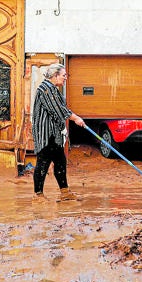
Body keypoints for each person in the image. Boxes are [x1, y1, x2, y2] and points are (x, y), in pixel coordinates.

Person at [32, 63, 85, 202]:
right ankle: (38, 195)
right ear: (55, 75)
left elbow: (60, 108)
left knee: (60, 161)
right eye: (63, 75)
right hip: (46, 134)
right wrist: (76, 118)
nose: (66, 78)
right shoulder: (45, 89)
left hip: (54, 134)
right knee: (43, 162)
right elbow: (59, 110)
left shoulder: (53, 89)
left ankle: (65, 192)